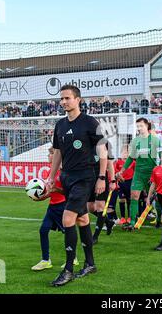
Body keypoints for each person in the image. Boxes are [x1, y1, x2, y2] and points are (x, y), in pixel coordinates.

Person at [48, 85, 107, 287]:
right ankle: (90, 264)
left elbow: (103, 150)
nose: (64, 102)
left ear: (78, 99)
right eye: (61, 99)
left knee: (68, 218)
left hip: (85, 177)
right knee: (82, 219)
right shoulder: (60, 125)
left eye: (67, 98)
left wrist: (102, 177)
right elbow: (57, 153)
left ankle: (68, 270)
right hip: (67, 177)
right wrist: (51, 177)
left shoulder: (91, 122)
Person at [31, 147, 79, 271]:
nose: (49, 156)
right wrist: (39, 198)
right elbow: (49, 193)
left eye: (51, 153)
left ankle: (73, 258)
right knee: (43, 230)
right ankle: (45, 260)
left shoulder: (64, 172)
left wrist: (56, 190)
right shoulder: (51, 172)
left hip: (62, 207)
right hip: (52, 207)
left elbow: (67, 192)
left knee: (68, 233)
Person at [116, 118, 162, 229]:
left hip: (152, 173)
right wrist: (121, 171)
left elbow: (161, 158)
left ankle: (160, 220)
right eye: (138, 126)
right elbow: (131, 158)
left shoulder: (155, 140)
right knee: (134, 196)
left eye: (141, 126)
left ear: (147, 126)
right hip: (138, 173)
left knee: (156, 198)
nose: (139, 128)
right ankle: (132, 222)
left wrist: (159, 172)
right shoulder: (135, 141)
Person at [88, 142, 117, 245]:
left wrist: (113, 180)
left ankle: (95, 236)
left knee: (100, 206)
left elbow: (110, 164)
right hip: (87, 179)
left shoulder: (104, 143)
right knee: (90, 207)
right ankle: (108, 222)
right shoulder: (84, 140)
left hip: (101, 180)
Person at [112, 145, 135, 225]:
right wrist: (119, 176)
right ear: (121, 153)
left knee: (129, 200)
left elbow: (135, 172)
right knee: (121, 199)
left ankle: (129, 217)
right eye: (124, 153)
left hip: (130, 182)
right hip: (121, 183)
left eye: (127, 153)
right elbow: (115, 171)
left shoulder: (133, 162)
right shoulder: (118, 162)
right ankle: (122, 217)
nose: (126, 154)